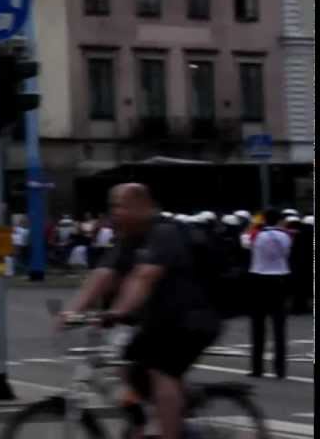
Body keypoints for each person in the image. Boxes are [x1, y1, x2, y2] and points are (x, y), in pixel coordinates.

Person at [59, 184, 221, 439]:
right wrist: (71, 311)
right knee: (126, 365)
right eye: (112, 207)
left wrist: (116, 311)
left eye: (121, 206)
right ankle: (161, 415)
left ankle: (171, 431)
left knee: (162, 371)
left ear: (141, 207)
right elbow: (102, 275)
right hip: (160, 322)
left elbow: (143, 278)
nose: (115, 213)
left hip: (193, 318)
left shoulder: (165, 233)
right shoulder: (128, 241)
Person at [247, 208, 291, 379]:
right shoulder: (285, 236)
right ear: (279, 220)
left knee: (258, 327)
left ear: (264, 220)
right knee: (279, 328)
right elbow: (286, 253)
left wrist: (255, 223)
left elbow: (244, 241)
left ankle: (257, 368)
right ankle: (280, 369)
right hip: (279, 279)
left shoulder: (256, 235)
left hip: (259, 280)